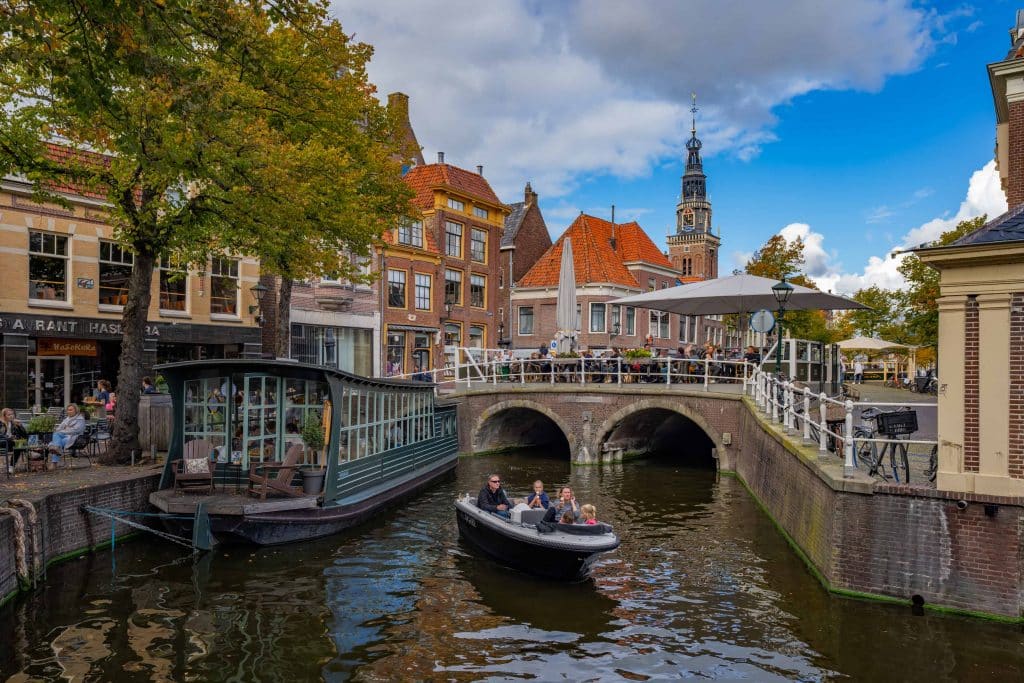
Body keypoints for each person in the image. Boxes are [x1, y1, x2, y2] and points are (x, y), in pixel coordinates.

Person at [1, 408, 28, 473]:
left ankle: (11, 467)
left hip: (12, 444)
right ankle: (29, 452)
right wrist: (10, 438)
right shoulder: (1, 423)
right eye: (9, 414)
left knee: (19, 446)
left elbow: (25, 436)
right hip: (3, 443)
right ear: (4, 416)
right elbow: (1, 435)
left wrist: (20, 426)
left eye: (12, 414)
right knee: (17, 444)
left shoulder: (14, 424)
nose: (11, 416)